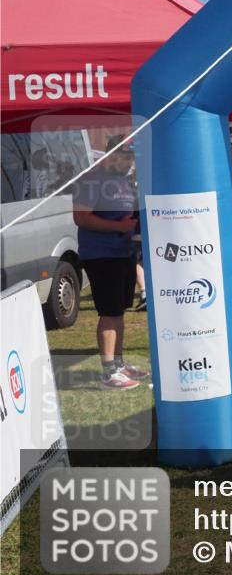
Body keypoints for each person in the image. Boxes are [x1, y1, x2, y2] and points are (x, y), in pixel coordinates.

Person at [72, 135, 148, 390]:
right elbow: (81, 218)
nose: (130, 163)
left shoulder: (123, 181)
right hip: (101, 255)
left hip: (122, 252)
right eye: (126, 157)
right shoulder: (92, 179)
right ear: (111, 155)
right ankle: (108, 372)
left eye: (132, 158)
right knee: (109, 312)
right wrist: (118, 225)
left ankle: (118, 364)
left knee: (119, 311)